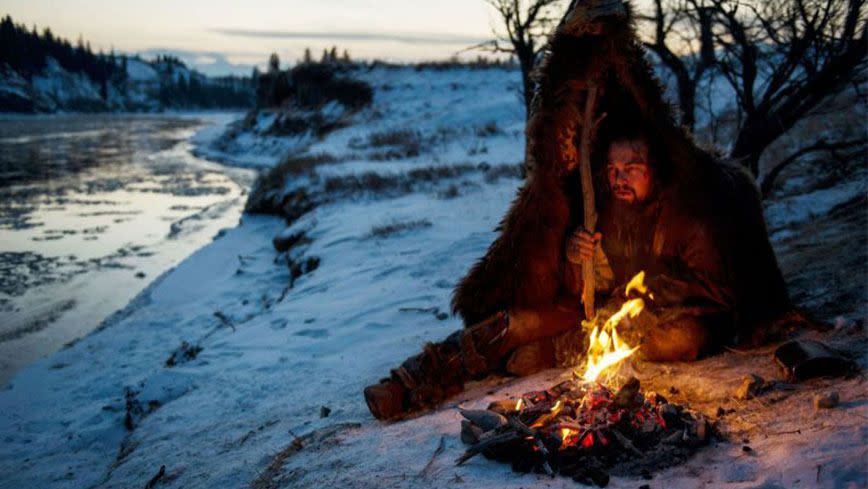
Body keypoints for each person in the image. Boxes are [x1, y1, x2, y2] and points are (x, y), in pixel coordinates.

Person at [363, 126, 783, 420]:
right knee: (515, 324)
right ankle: (414, 379)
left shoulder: (690, 215)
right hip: (598, 314)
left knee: (683, 339)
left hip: (663, 321)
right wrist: (574, 257)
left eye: (632, 167)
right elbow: (578, 292)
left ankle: (554, 351)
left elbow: (719, 292)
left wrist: (642, 300)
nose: (620, 178)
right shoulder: (605, 206)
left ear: (654, 167)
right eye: (614, 169)